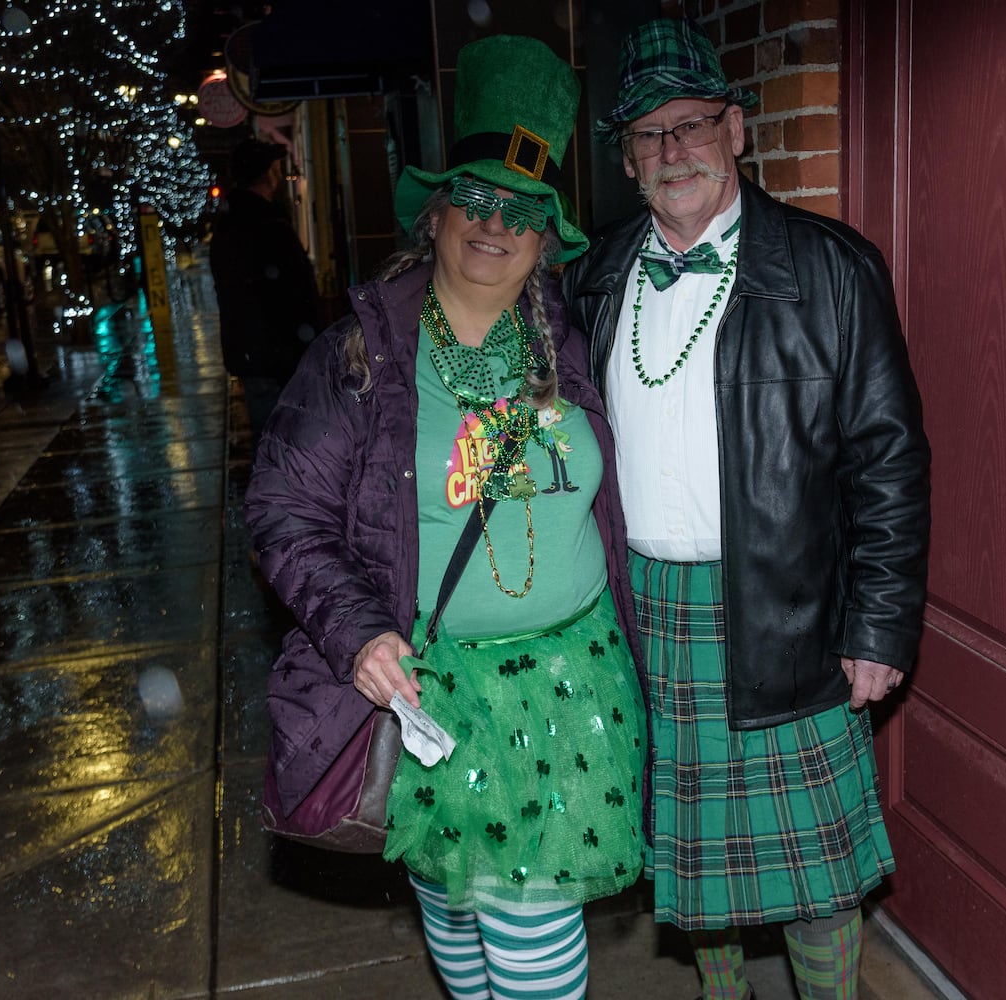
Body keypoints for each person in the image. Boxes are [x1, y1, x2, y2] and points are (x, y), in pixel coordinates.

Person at [244, 35, 647, 1000]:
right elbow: (282, 509)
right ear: (437, 212)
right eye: (475, 195)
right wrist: (356, 632)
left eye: (521, 209)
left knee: (533, 941)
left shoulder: (577, 340)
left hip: (573, 683)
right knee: (458, 918)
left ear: (547, 234)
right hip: (435, 691)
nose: (493, 223)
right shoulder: (361, 356)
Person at [562, 18, 931, 1000]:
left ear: (735, 130)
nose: (671, 151)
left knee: (813, 874)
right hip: (640, 610)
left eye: (689, 125)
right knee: (695, 866)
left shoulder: (832, 270)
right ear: (626, 159)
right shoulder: (589, 280)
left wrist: (880, 623)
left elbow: (888, 462)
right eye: (646, 135)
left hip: (786, 606)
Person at [210, 135, 322, 438]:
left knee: (270, 437)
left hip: (253, 354)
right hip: (278, 356)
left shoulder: (230, 223)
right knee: (288, 439)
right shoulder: (266, 223)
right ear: (268, 174)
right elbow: (294, 294)